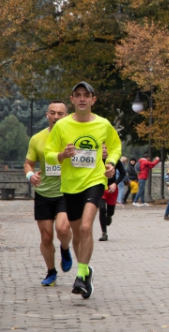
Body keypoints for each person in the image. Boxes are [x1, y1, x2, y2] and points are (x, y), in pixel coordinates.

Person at [45, 81, 122, 299]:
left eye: (86, 95)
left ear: (93, 100)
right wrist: (61, 155)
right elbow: (49, 153)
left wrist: (111, 163)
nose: (82, 99)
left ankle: (80, 277)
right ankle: (86, 270)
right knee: (77, 234)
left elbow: (115, 146)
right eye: (77, 95)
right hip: (70, 185)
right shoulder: (62, 126)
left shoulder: (103, 124)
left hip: (94, 181)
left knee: (87, 227)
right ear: (72, 100)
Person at [24, 101, 73, 286]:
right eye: (53, 113)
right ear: (47, 115)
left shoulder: (72, 138)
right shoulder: (37, 139)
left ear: (66, 116)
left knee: (62, 229)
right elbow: (28, 163)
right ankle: (51, 272)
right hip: (43, 192)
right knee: (46, 237)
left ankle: (65, 247)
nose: (56, 116)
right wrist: (30, 175)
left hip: (65, 191)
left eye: (61, 113)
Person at [98, 144, 126, 241]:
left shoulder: (113, 160)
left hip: (112, 188)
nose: (104, 150)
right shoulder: (96, 160)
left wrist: (115, 183)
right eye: (102, 148)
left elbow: (123, 173)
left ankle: (109, 216)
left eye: (106, 148)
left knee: (110, 211)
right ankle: (104, 233)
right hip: (100, 188)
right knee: (101, 208)